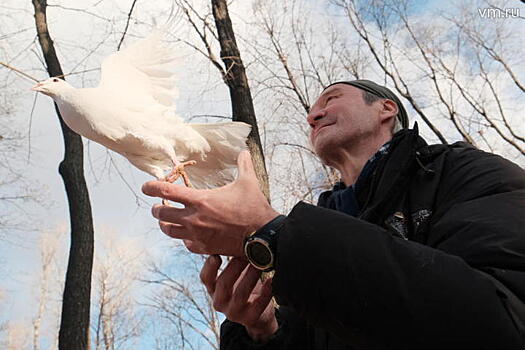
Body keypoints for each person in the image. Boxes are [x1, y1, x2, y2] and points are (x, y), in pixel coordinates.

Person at [142, 80, 525, 349]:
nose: (313, 116)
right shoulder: (318, 227)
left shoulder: (463, 172)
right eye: (310, 112)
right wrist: (263, 331)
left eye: (331, 99)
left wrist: (271, 232)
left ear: (386, 109)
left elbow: (504, 319)